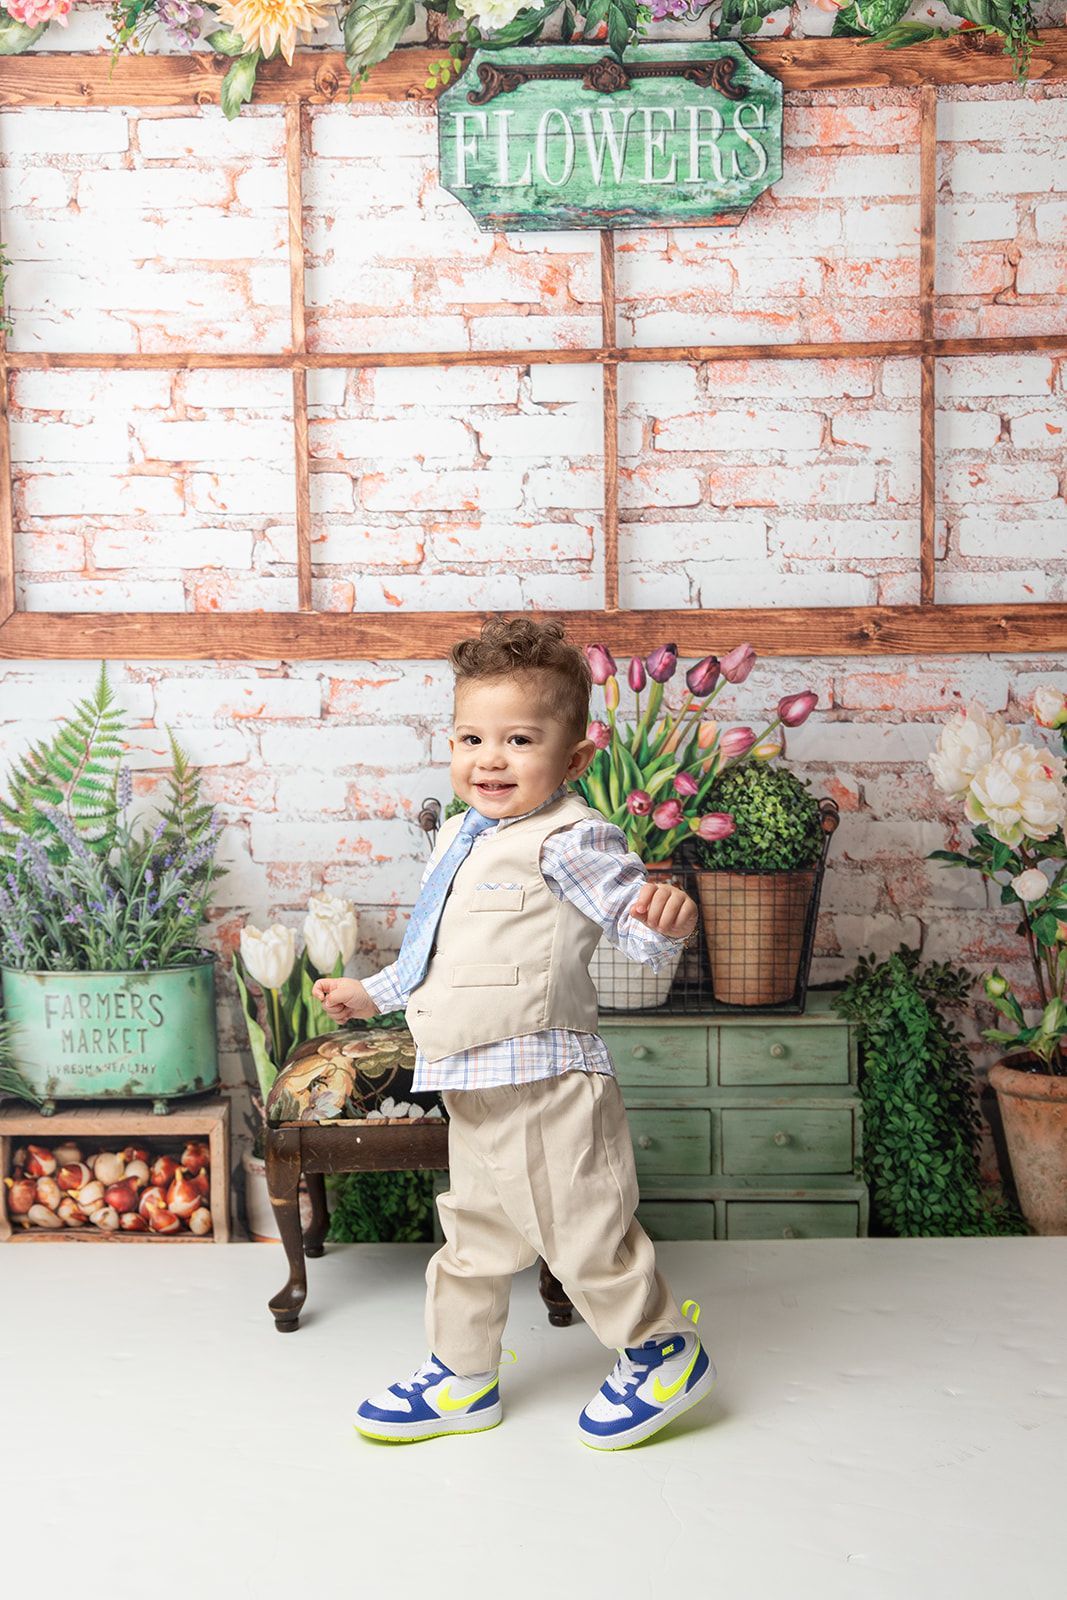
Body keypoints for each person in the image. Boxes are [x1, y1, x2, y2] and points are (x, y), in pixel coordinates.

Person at [312, 617, 717, 1451]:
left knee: (583, 1229)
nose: (487, 758)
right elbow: (441, 952)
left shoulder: (572, 838)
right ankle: (463, 1376)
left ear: (572, 759)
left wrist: (664, 921)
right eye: (470, 737)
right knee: (472, 1236)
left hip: (543, 1079)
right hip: (471, 1080)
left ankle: (662, 1351)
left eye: (518, 739)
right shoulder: (463, 838)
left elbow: (631, 926)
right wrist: (373, 991)